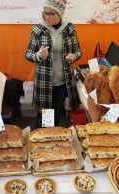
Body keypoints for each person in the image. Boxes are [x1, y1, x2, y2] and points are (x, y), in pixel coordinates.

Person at [25, 0, 82, 128]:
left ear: (60, 14)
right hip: (44, 82)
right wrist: (38, 56)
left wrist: (73, 57)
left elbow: (78, 51)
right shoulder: (38, 30)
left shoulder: (69, 29)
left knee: (56, 115)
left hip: (63, 83)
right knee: (43, 118)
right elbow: (28, 54)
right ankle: (40, 142)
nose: (47, 17)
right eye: (45, 13)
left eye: (51, 14)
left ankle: (53, 140)